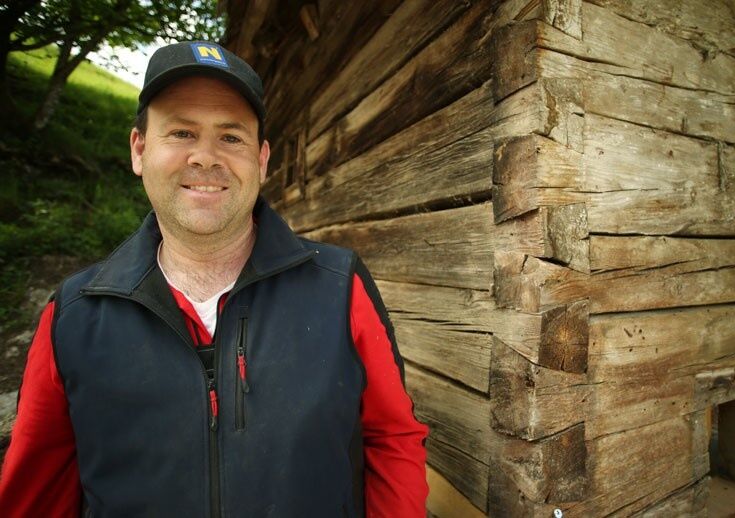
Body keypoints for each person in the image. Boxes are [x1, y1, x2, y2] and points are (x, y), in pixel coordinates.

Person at [0, 41, 428, 517]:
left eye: (231, 137)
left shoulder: (340, 287)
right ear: (139, 149)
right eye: (182, 132)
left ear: (261, 159)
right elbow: (36, 492)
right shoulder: (74, 314)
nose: (205, 157)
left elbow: (392, 439)